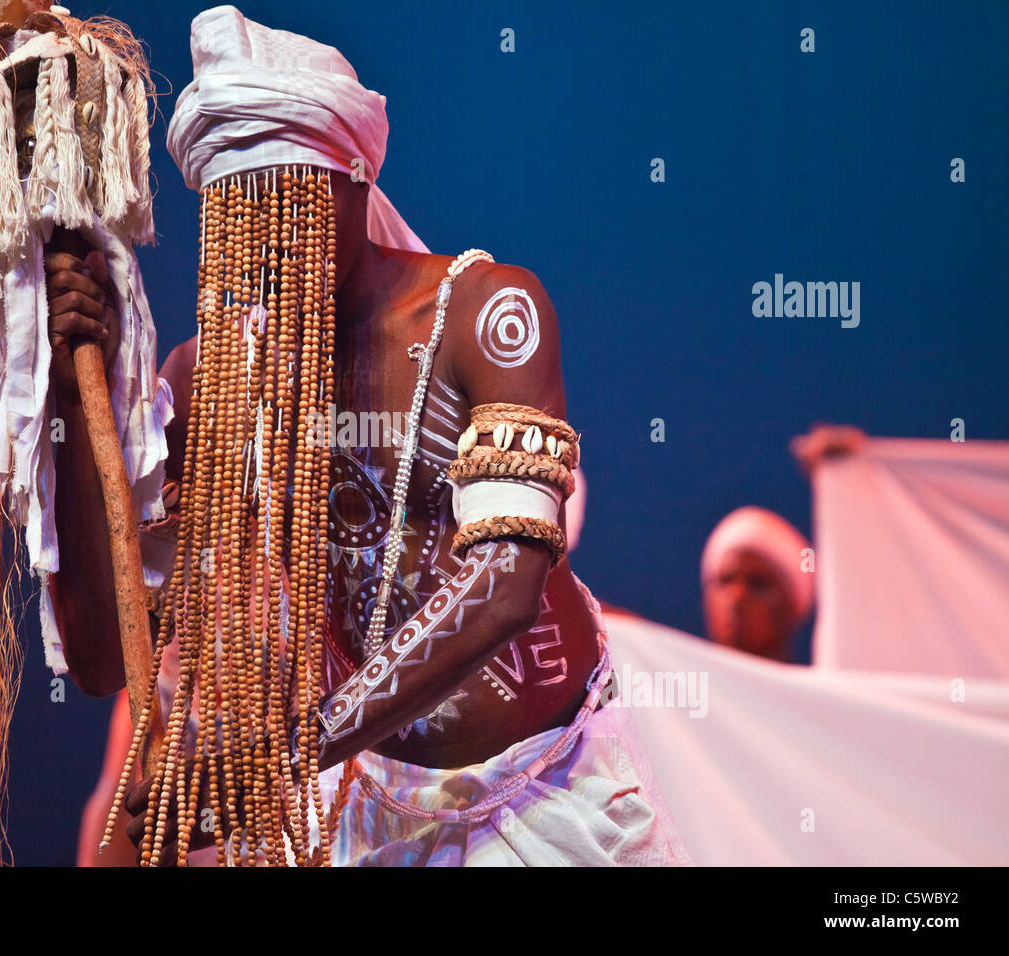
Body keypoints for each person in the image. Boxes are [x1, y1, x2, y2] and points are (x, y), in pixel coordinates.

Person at [51, 5, 690, 866]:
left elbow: (506, 586)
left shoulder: (486, 311)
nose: (265, 245)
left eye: (288, 205)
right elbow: (103, 657)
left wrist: (274, 758)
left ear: (354, 174)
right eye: (234, 221)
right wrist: (65, 391)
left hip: (547, 792)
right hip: (364, 807)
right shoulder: (213, 379)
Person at [700, 506, 815, 662]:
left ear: (791, 604)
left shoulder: (823, 686)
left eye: (758, 583)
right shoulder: (674, 684)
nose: (737, 597)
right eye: (725, 581)